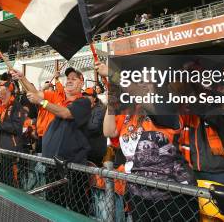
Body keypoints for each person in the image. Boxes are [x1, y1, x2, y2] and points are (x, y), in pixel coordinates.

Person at [98, 62, 197, 222]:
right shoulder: (129, 114)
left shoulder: (165, 107)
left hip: (170, 194)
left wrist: (113, 75)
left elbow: (142, 95)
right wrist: (111, 100)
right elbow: (108, 132)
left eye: (147, 81)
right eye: (139, 81)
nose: (142, 84)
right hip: (138, 192)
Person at [17, 66, 92, 215]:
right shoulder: (57, 98)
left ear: (81, 83)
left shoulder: (84, 102)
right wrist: (22, 78)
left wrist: (42, 102)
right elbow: (34, 93)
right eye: (68, 78)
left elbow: (66, 113)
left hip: (72, 166)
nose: (69, 81)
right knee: (54, 206)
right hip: (52, 163)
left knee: (76, 208)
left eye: (74, 79)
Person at [83, 88, 106, 166]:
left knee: (95, 174)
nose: (85, 98)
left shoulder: (100, 109)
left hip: (96, 149)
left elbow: (94, 127)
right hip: (87, 147)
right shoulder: (88, 108)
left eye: (88, 96)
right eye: (84, 96)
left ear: (94, 98)